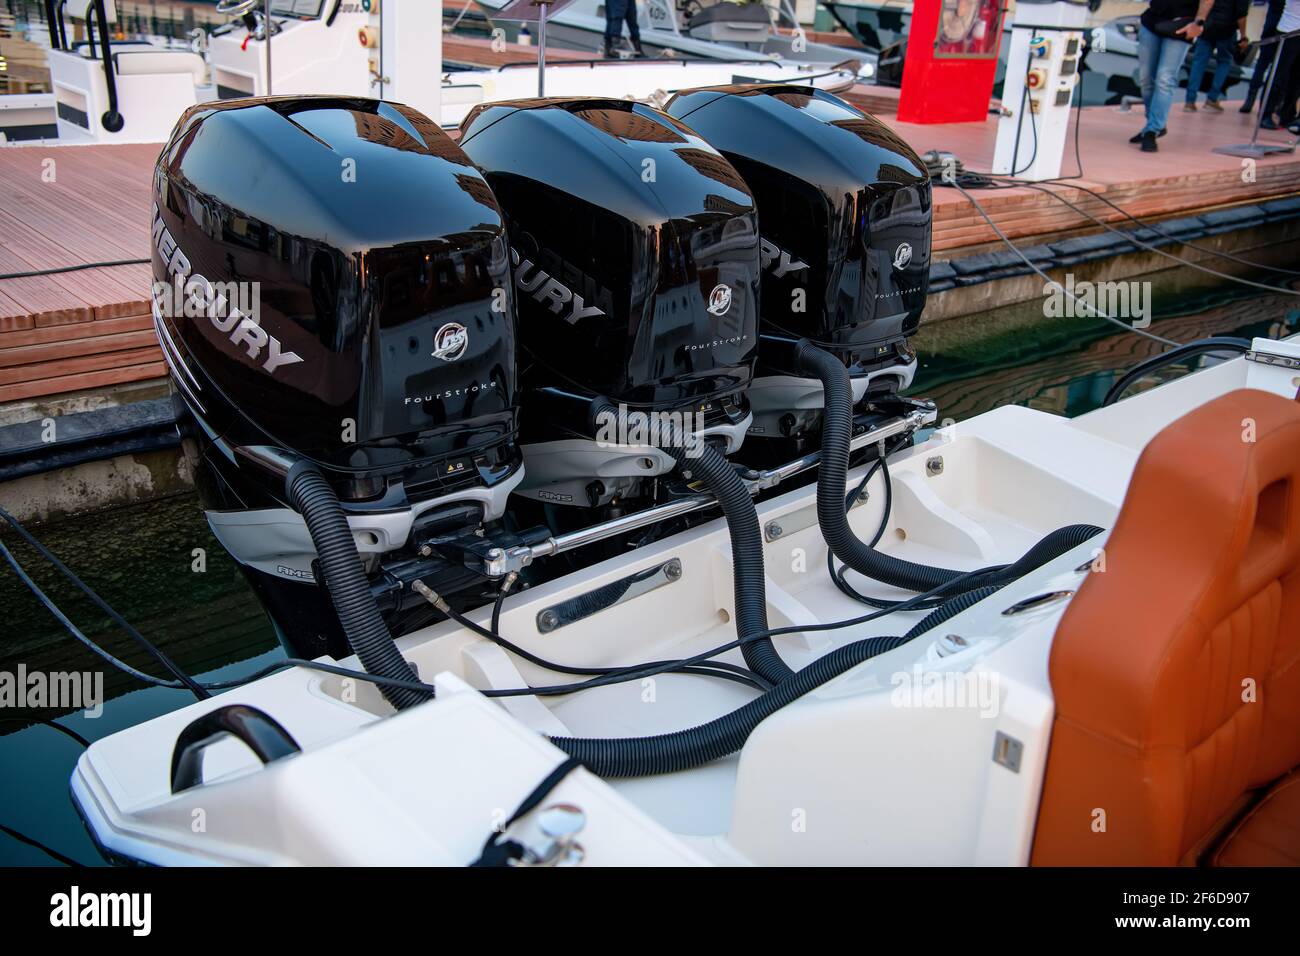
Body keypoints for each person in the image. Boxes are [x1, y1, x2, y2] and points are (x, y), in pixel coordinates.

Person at [1131, 0, 1216, 152]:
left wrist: (1198, 23)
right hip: (1152, 21)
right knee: (1145, 78)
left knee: (1165, 78)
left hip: (1181, 26)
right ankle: (1154, 123)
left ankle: (1152, 129)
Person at [1185, 0, 1250, 110]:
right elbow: (1241, 15)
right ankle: (1212, 99)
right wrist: (1243, 36)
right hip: (1227, 30)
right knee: (1224, 62)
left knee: (1198, 62)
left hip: (1207, 26)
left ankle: (1190, 101)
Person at [1260, 0, 1300, 131]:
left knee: (1296, 79)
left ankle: (1287, 114)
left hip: (1294, 33)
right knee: (1278, 75)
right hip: (1289, 32)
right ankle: (1265, 113)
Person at [1240, 0, 1286, 112]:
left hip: (1269, 31)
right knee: (1278, 70)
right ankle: (1269, 104)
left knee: (1261, 66)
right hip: (1284, 33)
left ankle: (1250, 100)